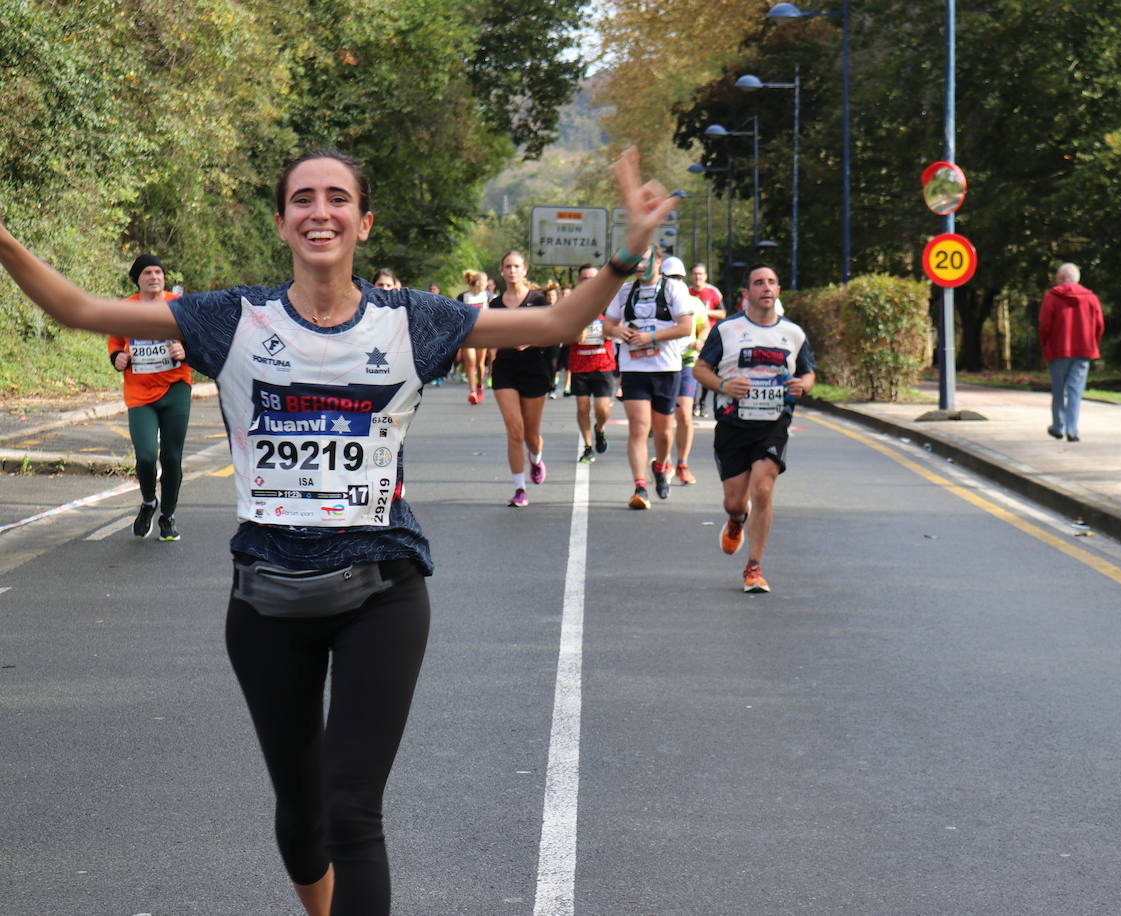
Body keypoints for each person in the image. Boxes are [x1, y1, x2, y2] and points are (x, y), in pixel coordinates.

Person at [0, 146, 675, 915]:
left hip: (381, 589)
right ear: (283, 221)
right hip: (265, 598)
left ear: (363, 221)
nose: (320, 211)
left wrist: (626, 253)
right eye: (303, 199)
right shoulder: (231, 319)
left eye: (337, 198)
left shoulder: (414, 320)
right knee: (301, 815)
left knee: (353, 810)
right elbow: (80, 311)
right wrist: (6, 241)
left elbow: (554, 320)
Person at [693, 263, 815, 593]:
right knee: (736, 502)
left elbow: (808, 373)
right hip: (733, 422)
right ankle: (736, 521)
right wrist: (722, 386)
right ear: (747, 293)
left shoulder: (793, 333)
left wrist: (802, 386)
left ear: (777, 291)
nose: (766, 287)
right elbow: (700, 369)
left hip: (773, 423)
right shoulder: (728, 330)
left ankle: (754, 567)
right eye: (759, 283)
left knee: (762, 488)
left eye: (772, 282)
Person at [603, 245, 696, 508]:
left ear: (659, 261)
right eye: (636, 262)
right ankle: (640, 487)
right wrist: (620, 332)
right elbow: (608, 325)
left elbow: (686, 327)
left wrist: (651, 337)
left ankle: (661, 464)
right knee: (639, 428)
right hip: (634, 369)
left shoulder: (674, 289)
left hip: (666, 368)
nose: (641, 267)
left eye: (645, 261)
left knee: (664, 432)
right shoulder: (623, 292)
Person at [107, 254, 190, 540]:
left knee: (171, 457)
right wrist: (116, 356)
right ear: (137, 279)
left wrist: (186, 351)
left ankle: (167, 515)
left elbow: (197, 336)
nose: (154, 276)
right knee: (145, 455)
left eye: (158, 272)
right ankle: (147, 501)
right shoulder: (126, 309)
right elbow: (115, 341)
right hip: (139, 391)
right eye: (147, 273)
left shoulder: (178, 305)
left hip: (176, 386)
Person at [490, 250, 556, 507]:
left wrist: (529, 341)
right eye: (508, 266)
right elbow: (490, 335)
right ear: (502, 270)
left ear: (525, 270)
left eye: (517, 266)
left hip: (534, 369)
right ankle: (519, 488)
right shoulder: (495, 304)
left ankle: (536, 457)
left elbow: (552, 333)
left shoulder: (539, 300)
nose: (512, 271)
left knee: (531, 434)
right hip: (505, 369)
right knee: (515, 431)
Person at [1038, 262, 1104, 442]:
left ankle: (1058, 426)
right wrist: (1092, 344)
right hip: (1083, 350)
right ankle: (1072, 429)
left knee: (1058, 389)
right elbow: (1099, 325)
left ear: (1060, 279)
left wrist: (1045, 345)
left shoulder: (1052, 297)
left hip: (1058, 350)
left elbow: (1044, 325)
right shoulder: (1091, 298)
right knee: (1075, 391)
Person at [661, 256, 708, 484]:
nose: (675, 282)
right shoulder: (654, 303)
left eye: (679, 278)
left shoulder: (694, 303)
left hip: (686, 361)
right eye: (670, 278)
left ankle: (682, 463)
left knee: (684, 415)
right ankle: (665, 461)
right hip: (660, 364)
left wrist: (701, 340)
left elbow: (704, 325)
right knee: (664, 417)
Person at [567, 263, 615, 463]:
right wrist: (575, 333)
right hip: (580, 364)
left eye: (592, 278)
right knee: (583, 407)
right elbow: (562, 331)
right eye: (585, 278)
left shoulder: (610, 303)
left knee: (602, 409)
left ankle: (599, 428)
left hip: (603, 363)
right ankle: (587, 446)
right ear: (579, 281)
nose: (589, 282)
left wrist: (610, 331)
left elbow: (619, 328)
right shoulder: (572, 304)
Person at [688, 262, 725, 418]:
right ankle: (693, 402)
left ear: (706, 276)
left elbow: (722, 313)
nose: (698, 277)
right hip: (691, 339)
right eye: (695, 274)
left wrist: (704, 311)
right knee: (693, 369)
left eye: (701, 274)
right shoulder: (685, 292)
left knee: (707, 369)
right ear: (691, 276)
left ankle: (703, 402)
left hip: (709, 337)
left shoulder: (712, 292)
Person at [458, 270, 491, 404]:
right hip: (468, 333)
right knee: (470, 362)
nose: (487, 284)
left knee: (480, 364)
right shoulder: (464, 297)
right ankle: (472, 392)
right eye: (485, 281)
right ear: (478, 283)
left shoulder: (487, 296)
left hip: (482, 333)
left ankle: (479, 386)